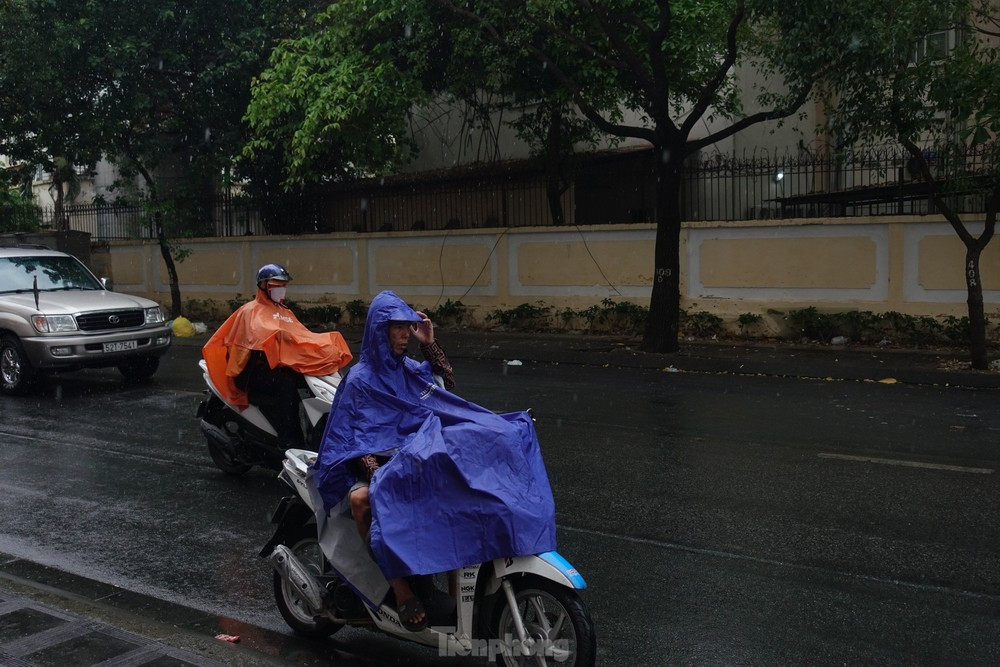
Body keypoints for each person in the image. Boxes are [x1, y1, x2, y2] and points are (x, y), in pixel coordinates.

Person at [313, 290, 557, 633]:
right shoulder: (358, 381)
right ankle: (401, 591)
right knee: (363, 501)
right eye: (397, 329)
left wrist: (429, 343)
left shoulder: (409, 370)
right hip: (375, 466)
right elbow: (352, 442)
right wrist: (381, 474)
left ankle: (457, 600)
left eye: (407, 328)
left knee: (459, 489)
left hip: (415, 458)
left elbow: (446, 388)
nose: (404, 336)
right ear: (379, 332)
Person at [202, 263, 352, 447]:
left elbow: (302, 336)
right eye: (276, 285)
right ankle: (288, 440)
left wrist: (324, 345)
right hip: (250, 371)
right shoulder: (250, 311)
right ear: (264, 286)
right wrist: (273, 339)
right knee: (286, 386)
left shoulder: (284, 312)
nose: (281, 289)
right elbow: (255, 337)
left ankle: (315, 437)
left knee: (306, 382)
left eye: (283, 285)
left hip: (278, 367)